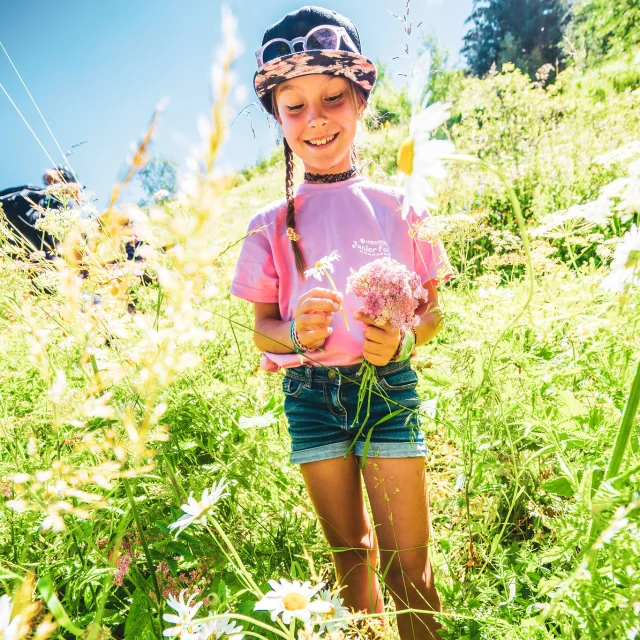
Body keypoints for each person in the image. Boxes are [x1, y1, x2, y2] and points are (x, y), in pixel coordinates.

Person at [230, 7, 454, 639]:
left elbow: (433, 308)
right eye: (293, 106)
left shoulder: (402, 206)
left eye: (332, 98)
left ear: (360, 100)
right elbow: (262, 330)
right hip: (310, 398)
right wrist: (296, 333)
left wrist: (405, 338)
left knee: (412, 567)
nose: (315, 119)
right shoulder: (271, 223)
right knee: (350, 558)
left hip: (389, 390)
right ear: (276, 117)